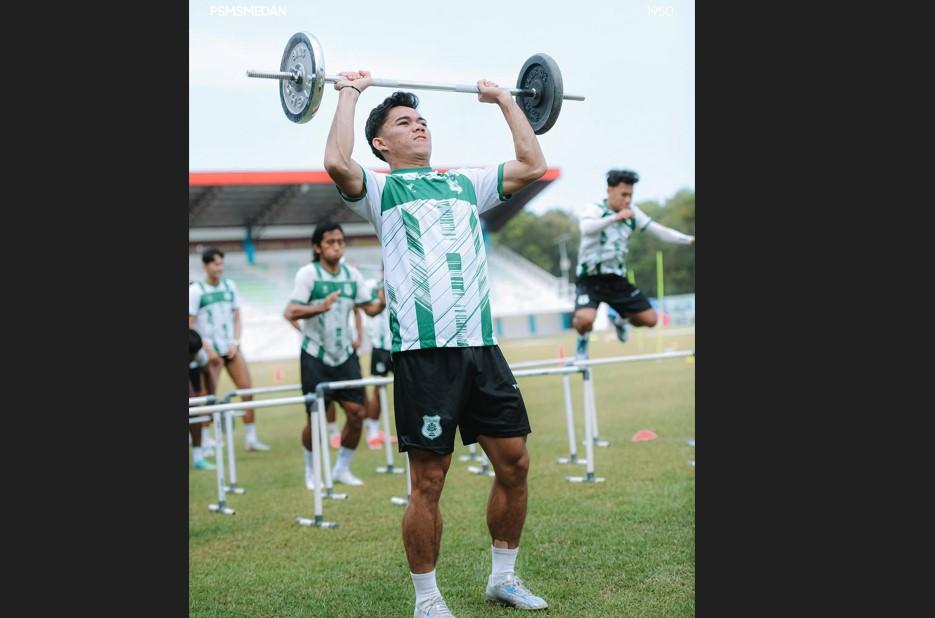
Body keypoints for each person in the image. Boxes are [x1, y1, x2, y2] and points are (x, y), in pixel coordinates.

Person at [324, 70, 549, 616]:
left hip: (481, 345)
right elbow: (336, 162)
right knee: (429, 479)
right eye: (405, 121)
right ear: (382, 143)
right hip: (424, 355)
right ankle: (427, 599)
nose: (419, 125)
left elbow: (533, 164)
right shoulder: (379, 189)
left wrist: (502, 100)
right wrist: (350, 93)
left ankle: (503, 578)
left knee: (515, 463)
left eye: (422, 119)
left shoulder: (464, 182)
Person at [283, 222, 385, 489]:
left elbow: (371, 309)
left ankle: (341, 468)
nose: (336, 246)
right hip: (315, 354)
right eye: (330, 242)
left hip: (345, 355)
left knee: (357, 413)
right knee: (315, 418)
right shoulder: (309, 274)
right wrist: (320, 307)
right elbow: (290, 312)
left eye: (340, 241)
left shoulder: (352, 275)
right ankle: (310, 471)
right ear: (317, 247)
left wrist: (385, 298)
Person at [573, 169, 695, 359]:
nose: (627, 200)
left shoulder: (632, 212)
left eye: (630, 195)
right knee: (584, 319)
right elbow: (586, 228)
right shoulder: (594, 209)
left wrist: (688, 240)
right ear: (609, 191)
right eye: (624, 194)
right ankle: (582, 341)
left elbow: (659, 231)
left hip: (616, 279)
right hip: (589, 278)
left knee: (651, 319)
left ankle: (621, 321)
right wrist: (614, 218)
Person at [189, 248, 270, 452]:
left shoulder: (230, 286)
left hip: (231, 349)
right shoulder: (196, 291)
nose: (220, 268)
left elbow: (237, 316)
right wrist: (207, 349)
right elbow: (190, 324)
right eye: (216, 264)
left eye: (221, 263)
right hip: (210, 353)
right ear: (205, 266)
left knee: (247, 389)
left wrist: (235, 342)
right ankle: (205, 441)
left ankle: (251, 438)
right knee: (208, 396)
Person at [363, 278, 395, 449]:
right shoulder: (374, 285)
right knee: (378, 389)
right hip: (381, 347)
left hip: (402, 346)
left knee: (410, 388)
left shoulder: (402, 277)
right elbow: (365, 307)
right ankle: (373, 433)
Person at [189, 328, 215, 470]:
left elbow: (208, 375)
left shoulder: (199, 355)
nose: (194, 356)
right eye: (191, 354)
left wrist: (212, 398)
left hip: (193, 375)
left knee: (194, 406)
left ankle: (198, 457)